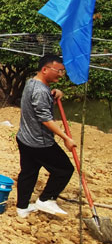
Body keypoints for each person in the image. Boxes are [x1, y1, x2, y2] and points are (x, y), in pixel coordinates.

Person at [15, 55, 75, 218]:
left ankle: (22, 207)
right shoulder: (41, 90)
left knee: (28, 172)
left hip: (24, 137)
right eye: (58, 71)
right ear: (45, 69)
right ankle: (46, 199)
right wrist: (66, 138)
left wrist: (54, 93)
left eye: (62, 71)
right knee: (64, 169)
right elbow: (45, 119)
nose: (61, 75)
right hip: (39, 142)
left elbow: (39, 103)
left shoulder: (31, 82)